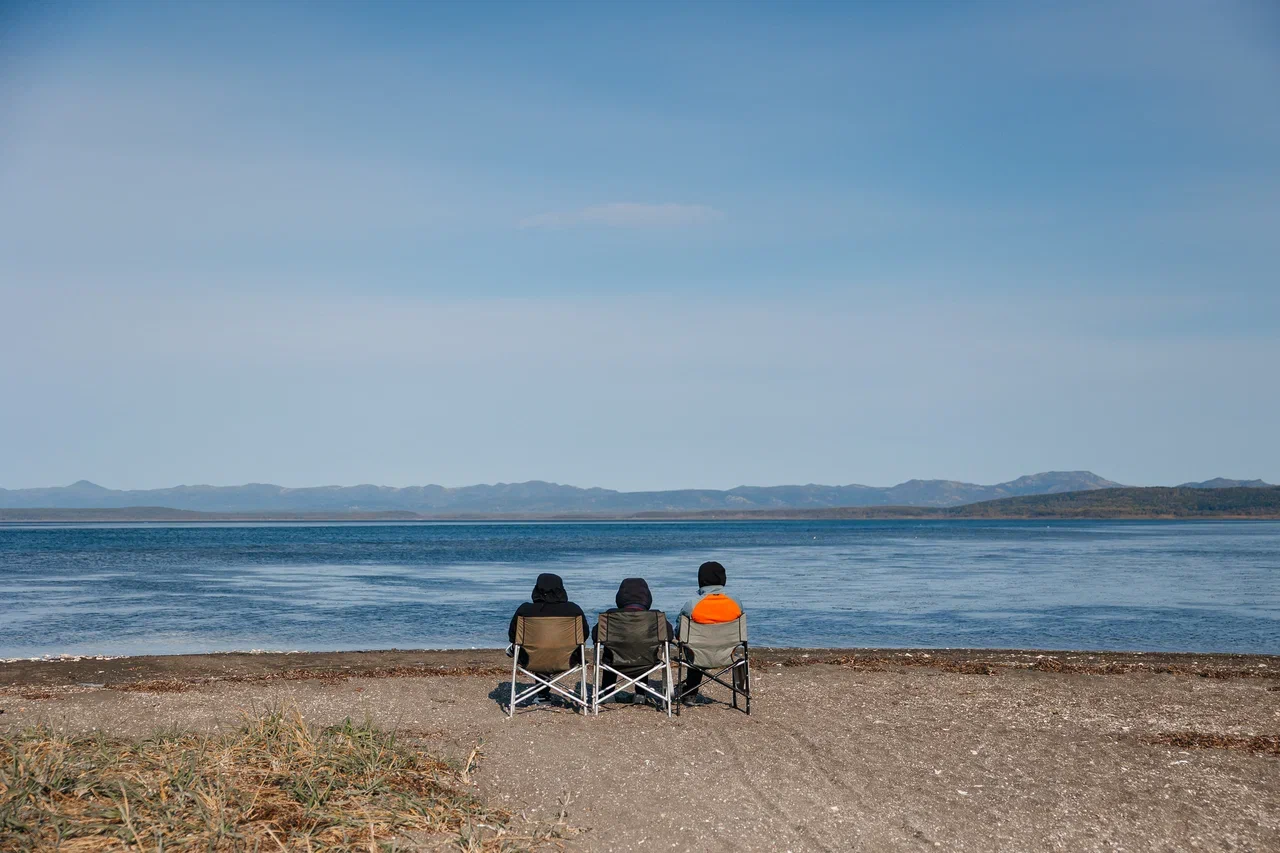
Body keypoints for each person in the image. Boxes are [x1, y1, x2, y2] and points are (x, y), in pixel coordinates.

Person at [592, 577, 673, 703]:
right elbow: (669, 636)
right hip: (647, 662)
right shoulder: (655, 617)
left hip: (615, 663)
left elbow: (595, 636)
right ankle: (640, 694)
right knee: (644, 648)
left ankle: (608, 693)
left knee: (612, 649)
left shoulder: (611, 616)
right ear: (647, 597)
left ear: (620, 596)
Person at [676, 560, 744, 704]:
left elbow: (680, 632)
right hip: (728, 655)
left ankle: (690, 694)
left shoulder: (692, 605)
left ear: (700, 580)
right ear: (723, 579)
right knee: (698, 645)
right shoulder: (735, 603)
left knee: (694, 646)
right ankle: (741, 692)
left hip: (698, 657)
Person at [507, 573, 591, 669]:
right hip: (567, 660)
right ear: (561, 589)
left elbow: (513, 636)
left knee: (529, 645)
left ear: (536, 589)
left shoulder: (524, 610)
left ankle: (541, 681)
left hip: (530, 660)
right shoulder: (574, 609)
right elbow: (584, 634)